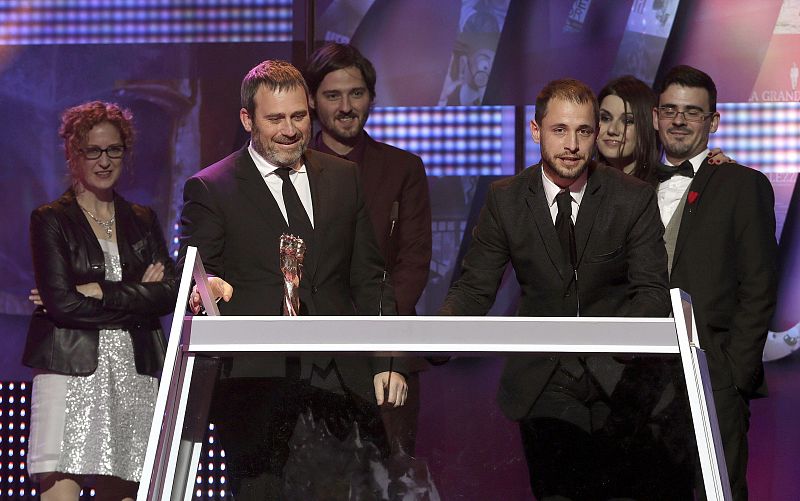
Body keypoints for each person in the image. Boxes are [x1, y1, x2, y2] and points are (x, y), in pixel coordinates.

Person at [178, 59, 407, 500]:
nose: (290, 130)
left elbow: (369, 277)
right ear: (247, 119)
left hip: (339, 380)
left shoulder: (342, 178)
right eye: (275, 119)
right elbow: (194, 275)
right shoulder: (212, 187)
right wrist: (207, 288)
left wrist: (387, 359)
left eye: (299, 116)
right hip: (256, 384)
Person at [439, 78, 670, 499]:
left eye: (583, 131)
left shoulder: (631, 198)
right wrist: (433, 337)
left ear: (595, 135)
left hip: (619, 378)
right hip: (544, 378)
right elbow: (475, 288)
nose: (572, 145)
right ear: (536, 130)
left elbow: (652, 292)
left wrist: (616, 347)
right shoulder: (506, 199)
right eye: (559, 130)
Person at [23, 101, 178, 501]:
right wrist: (138, 295)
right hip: (70, 367)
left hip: (133, 369)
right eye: (93, 150)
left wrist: (101, 290)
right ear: (73, 153)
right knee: (60, 486)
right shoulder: (51, 219)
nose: (104, 161)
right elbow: (62, 305)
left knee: (125, 486)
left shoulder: (142, 219)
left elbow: (169, 293)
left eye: (114, 150)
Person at [653, 65, 778, 500]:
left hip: (714, 378)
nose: (679, 120)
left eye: (692, 111)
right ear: (655, 117)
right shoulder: (629, 186)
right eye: (670, 110)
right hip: (641, 382)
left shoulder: (743, 184)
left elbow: (759, 286)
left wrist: (732, 376)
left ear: (713, 121)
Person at [304, 42, 432, 456]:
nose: (346, 107)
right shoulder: (293, 167)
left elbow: (413, 263)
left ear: (372, 98)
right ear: (312, 100)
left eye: (356, 93)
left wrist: (383, 337)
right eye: (332, 95)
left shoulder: (402, 168)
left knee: (390, 474)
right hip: (313, 355)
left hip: (388, 349)